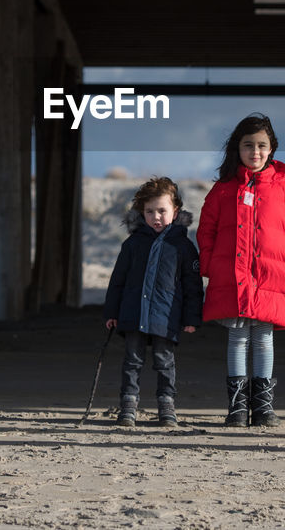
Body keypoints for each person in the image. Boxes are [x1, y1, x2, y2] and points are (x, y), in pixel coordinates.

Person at [197, 113, 285, 427]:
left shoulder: (284, 190)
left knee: (263, 339)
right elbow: (206, 230)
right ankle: (236, 409)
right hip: (233, 276)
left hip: (273, 276)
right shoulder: (222, 190)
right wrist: (208, 266)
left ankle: (263, 408)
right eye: (248, 145)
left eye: (262, 145)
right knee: (237, 338)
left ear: (271, 149)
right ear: (238, 148)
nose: (255, 152)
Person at [103, 176, 204, 427]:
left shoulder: (183, 246)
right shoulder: (133, 244)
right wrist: (112, 312)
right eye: (149, 211)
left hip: (166, 315)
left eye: (162, 211)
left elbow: (192, 286)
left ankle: (166, 405)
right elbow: (118, 280)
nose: (156, 217)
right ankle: (128, 405)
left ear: (175, 211)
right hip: (133, 313)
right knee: (132, 361)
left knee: (164, 361)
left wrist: (191, 318)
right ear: (141, 212)